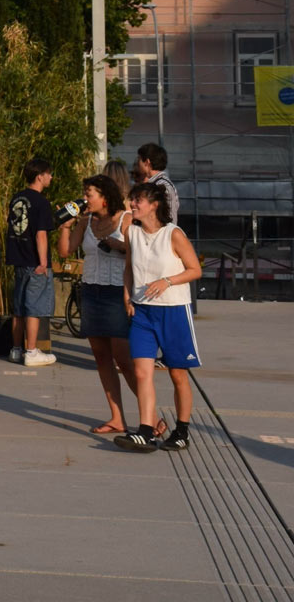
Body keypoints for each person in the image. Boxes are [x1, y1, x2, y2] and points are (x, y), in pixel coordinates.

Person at [117, 182, 202, 454]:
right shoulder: (131, 232)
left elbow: (195, 270)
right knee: (141, 372)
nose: (132, 204)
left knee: (178, 374)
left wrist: (167, 281)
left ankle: (182, 430)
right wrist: (127, 297)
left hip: (174, 310)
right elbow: (129, 267)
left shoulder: (173, 234)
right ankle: (145, 431)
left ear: (154, 205)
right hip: (143, 312)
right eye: (132, 200)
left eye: (138, 200)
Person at [61, 173, 136, 435]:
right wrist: (66, 226)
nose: (84, 199)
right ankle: (117, 418)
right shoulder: (85, 221)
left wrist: (119, 245)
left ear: (104, 196)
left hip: (117, 292)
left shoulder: (125, 219)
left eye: (89, 194)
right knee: (101, 357)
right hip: (91, 292)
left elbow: (140, 252)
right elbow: (65, 251)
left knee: (124, 360)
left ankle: (151, 415)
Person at [6, 157, 59, 367]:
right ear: (40, 176)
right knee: (34, 308)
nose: (51, 177)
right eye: (49, 174)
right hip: (35, 261)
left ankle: (16, 349)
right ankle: (32, 351)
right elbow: (41, 235)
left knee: (18, 308)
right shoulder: (41, 202)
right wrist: (43, 263)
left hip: (18, 259)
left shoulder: (16, 198)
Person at [133, 143, 180, 226]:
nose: (137, 163)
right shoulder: (154, 183)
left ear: (147, 162)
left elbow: (169, 219)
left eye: (139, 159)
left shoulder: (163, 186)